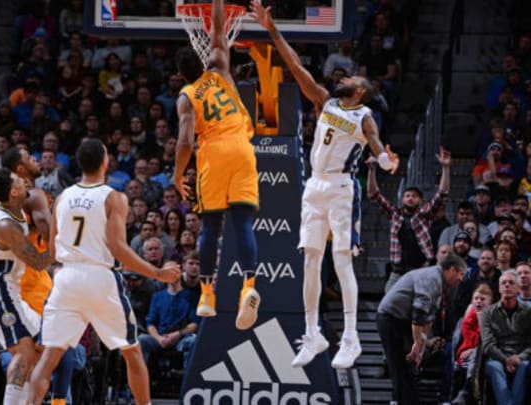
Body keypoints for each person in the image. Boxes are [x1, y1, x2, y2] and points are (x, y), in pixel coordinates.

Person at [250, 0, 400, 368]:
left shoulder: (365, 116)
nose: (344, 76)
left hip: (341, 189)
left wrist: (385, 161)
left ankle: (350, 339)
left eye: (351, 77)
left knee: (342, 261)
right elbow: (294, 66)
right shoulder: (325, 102)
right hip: (314, 188)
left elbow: (378, 147)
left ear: (361, 90)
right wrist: (272, 29)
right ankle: (313, 333)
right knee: (310, 262)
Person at [28, 139, 180, 405]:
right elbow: (119, 249)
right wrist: (157, 273)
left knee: (49, 357)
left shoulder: (62, 198)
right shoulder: (113, 197)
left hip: (65, 277)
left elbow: (52, 249)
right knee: (132, 352)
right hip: (99, 276)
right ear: (105, 162)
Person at [174, 0, 261, 331]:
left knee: (210, 226)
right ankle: (249, 288)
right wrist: (218, 4)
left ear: (181, 74)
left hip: (214, 153)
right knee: (243, 225)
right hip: (242, 148)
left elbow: (184, 142)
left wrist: (178, 173)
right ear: (204, 60)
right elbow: (219, 34)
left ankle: (207, 294)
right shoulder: (221, 68)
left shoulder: (186, 96)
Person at [0, 146, 78, 405]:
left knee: (38, 355)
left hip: (34, 281)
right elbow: (50, 237)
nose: (35, 159)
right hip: (27, 284)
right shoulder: (29, 196)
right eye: (29, 157)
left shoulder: (12, 199)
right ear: (20, 169)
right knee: (51, 347)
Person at [0, 168, 55, 405]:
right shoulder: (5, 226)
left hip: (10, 288)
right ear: (14, 191)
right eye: (19, 180)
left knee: (42, 347)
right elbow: (40, 263)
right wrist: (59, 236)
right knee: (24, 352)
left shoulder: (13, 205)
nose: (24, 180)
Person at [376, 254, 467, 405]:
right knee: (400, 367)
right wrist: (418, 344)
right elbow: (419, 312)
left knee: (410, 367)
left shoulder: (439, 283)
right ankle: (400, 401)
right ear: (451, 270)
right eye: (460, 274)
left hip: (401, 321)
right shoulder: (432, 277)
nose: (461, 279)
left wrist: (421, 346)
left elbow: (428, 319)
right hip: (391, 319)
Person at [367, 148, 450, 291]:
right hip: (397, 271)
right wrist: (372, 170)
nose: (410, 198)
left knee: (421, 307)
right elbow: (373, 194)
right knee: (387, 305)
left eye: (414, 196)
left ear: (420, 200)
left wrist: (446, 167)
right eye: (407, 195)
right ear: (402, 199)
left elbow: (442, 193)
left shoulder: (425, 214)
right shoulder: (395, 214)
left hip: (421, 270)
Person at [480, 270, 531, 405]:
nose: (507, 285)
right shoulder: (487, 313)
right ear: (499, 288)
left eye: (511, 283)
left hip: (521, 357)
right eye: (504, 283)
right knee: (494, 366)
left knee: (525, 366)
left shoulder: (528, 312)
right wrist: (505, 359)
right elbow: (487, 344)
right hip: (498, 357)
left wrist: (519, 357)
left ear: (518, 288)